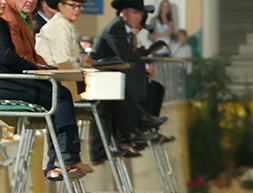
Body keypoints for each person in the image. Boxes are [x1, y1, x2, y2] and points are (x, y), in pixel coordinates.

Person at [0, 0, 92, 179]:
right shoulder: (8, 19)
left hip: (9, 80)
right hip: (6, 84)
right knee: (60, 94)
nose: (2, 2)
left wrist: (41, 67)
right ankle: (65, 159)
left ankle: (60, 161)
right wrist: (36, 69)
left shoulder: (8, 19)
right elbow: (7, 56)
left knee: (58, 91)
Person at [89, 0, 168, 163]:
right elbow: (125, 57)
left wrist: (144, 61)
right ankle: (136, 128)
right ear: (123, 13)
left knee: (153, 88)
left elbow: (127, 58)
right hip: (98, 78)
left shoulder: (123, 29)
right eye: (134, 12)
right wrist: (145, 62)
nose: (138, 17)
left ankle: (136, 130)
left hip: (109, 76)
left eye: (140, 13)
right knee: (120, 90)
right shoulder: (116, 27)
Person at [35, 0, 86, 66]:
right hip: (53, 73)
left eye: (79, 6)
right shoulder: (60, 25)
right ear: (61, 6)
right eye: (72, 5)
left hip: (55, 72)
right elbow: (63, 61)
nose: (77, 9)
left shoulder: (63, 23)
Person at [1, 0, 47, 65]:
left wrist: (48, 67)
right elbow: (18, 55)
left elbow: (32, 53)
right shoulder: (8, 17)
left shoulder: (27, 14)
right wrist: (37, 67)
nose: (31, 1)